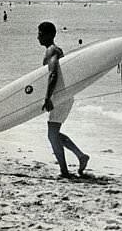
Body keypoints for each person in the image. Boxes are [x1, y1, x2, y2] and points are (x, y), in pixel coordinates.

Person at [38, 21, 89, 179]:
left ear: (49, 35)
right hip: (62, 96)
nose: (37, 37)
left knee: (52, 135)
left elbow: (53, 74)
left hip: (60, 97)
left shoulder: (52, 51)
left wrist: (47, 97)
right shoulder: (54, 50)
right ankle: (81, 156)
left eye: (40, 33)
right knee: (54, 134)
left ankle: (65, 171)